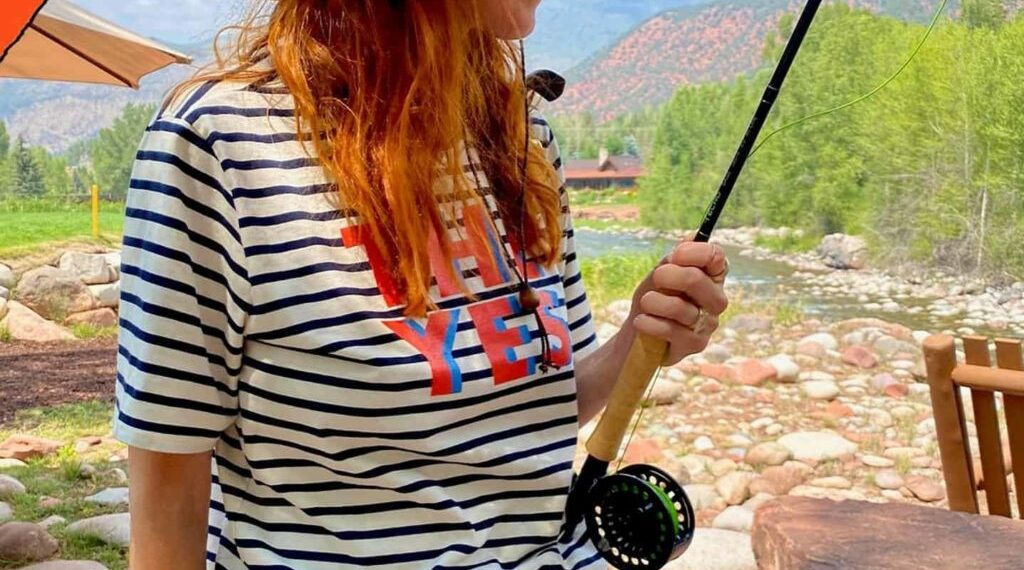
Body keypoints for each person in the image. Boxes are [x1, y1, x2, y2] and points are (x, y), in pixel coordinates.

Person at [114, 1, 729, 568]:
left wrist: (639, 336)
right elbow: (168, 493)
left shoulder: (523, 136)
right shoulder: (217, 143)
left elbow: (542, 411)